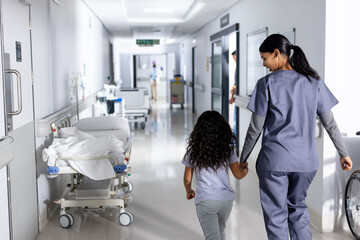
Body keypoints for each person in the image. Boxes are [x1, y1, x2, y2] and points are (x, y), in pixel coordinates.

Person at [239, 33, 353, 240]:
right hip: (306, 163)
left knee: (276, 216)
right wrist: (344, 154)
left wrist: (243, 158)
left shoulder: (266, 84)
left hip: (274, 163)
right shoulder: (313, 82)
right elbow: (330, 124)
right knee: (298, 210)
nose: (264, 64)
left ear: (276, 54)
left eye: (265, 58)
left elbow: (255, 128)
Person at [182, 110, 248, 240]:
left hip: (206, 201)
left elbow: (187, 178)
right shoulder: (227, 150)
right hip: (225, 201)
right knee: (220, 231)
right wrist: (245, 169)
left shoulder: (193, 152)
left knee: (213, 236)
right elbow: (238, 175)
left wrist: (189, 190)